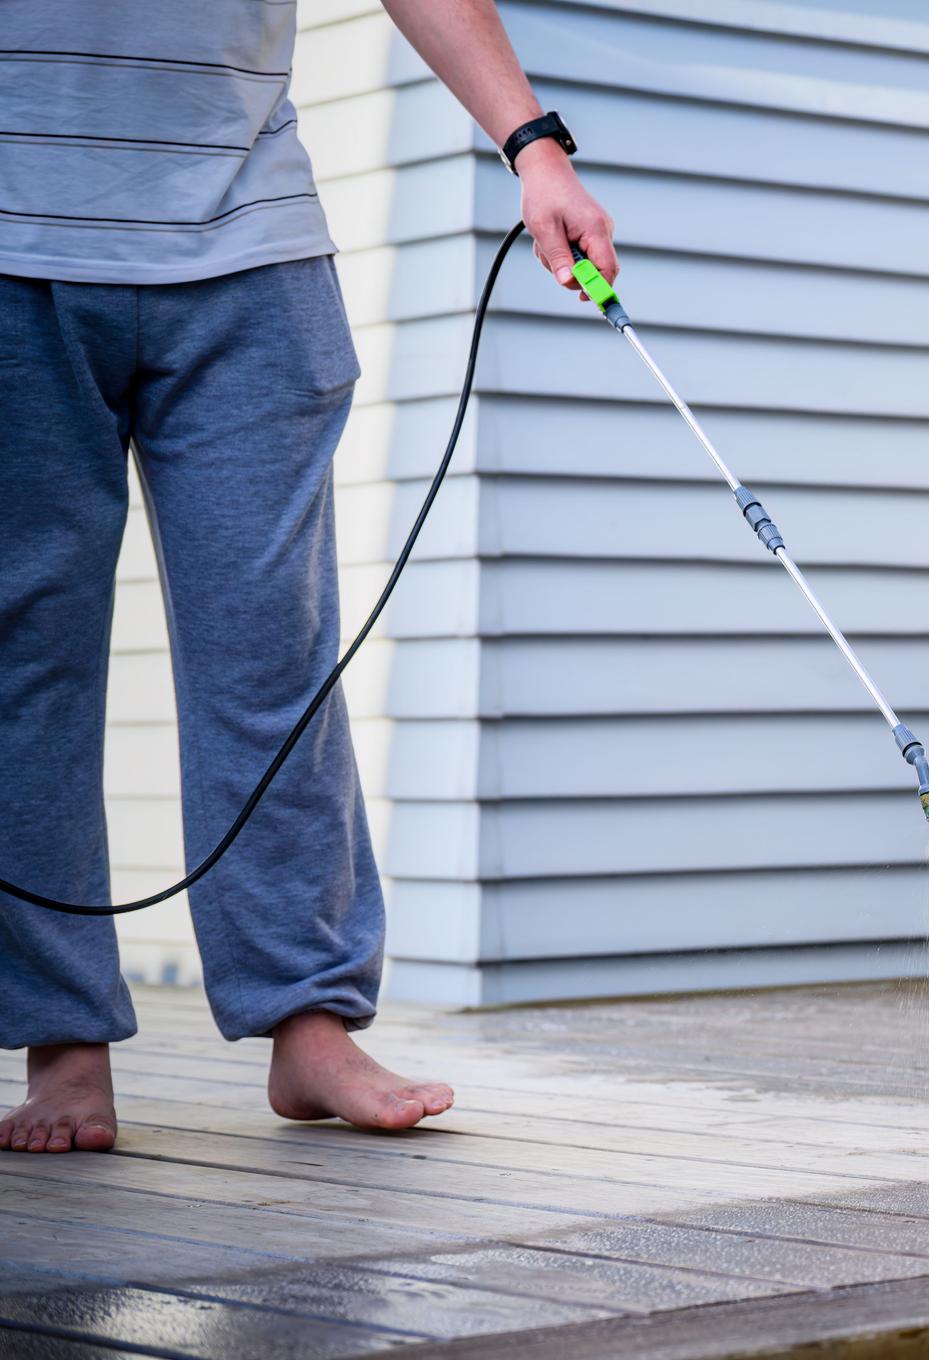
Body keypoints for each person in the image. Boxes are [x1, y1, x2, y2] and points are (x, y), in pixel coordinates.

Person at [0, 1, 616, 1153]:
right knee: (25, 659)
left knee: (273, 647)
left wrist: (532, 141)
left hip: (249, 251)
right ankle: (61, 1043)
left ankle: (310, 1021)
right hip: (9, 252)